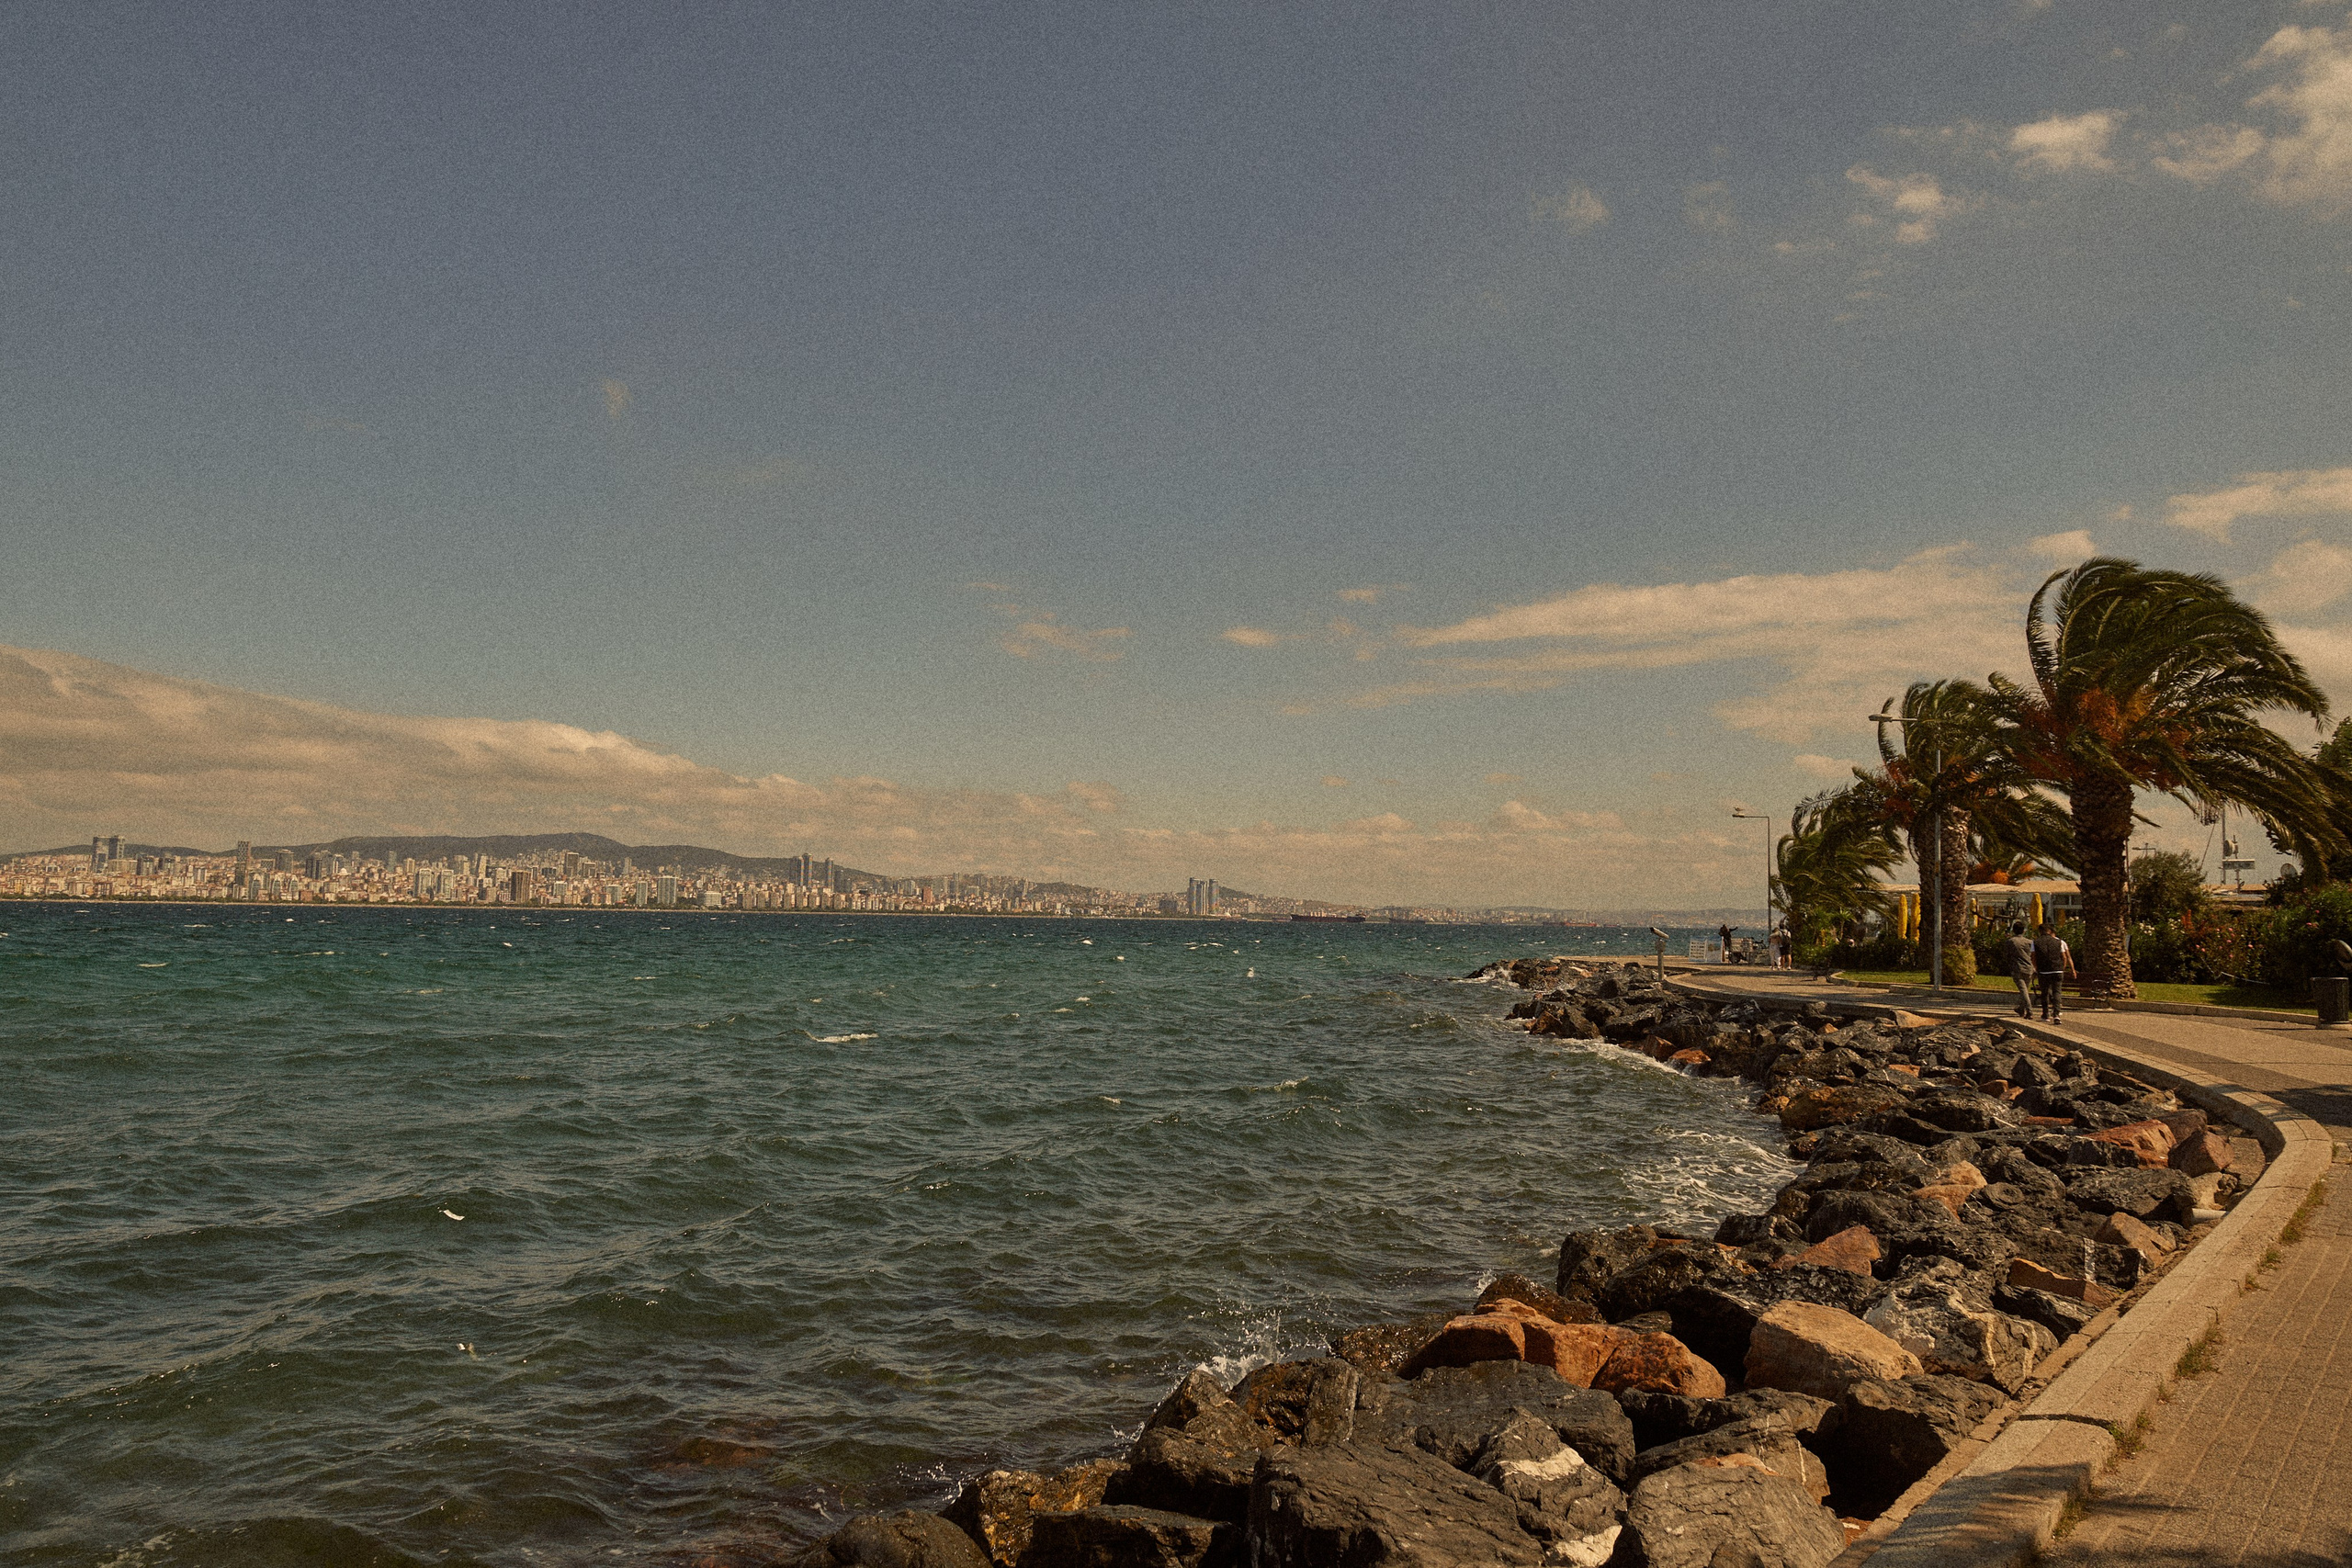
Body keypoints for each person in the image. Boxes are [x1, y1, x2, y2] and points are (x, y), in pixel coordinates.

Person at [2032, 921, 2075, 1022]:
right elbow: (2064, 957)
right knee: (2057, 992)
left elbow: (2033, 957)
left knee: (2045, 992)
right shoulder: (2059, 942)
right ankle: (2056, 1014)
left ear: (2040, 931)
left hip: (2044, 971)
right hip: (2057, 970)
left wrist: (2036, 968)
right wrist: (2062, 967)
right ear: (2050, 931)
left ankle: (2045, 1014)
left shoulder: (2035, 942)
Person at [2003, 921, 2037, 1019]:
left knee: (2023, 990)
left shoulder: (2011, 942)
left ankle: (2029, 1011)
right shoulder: (2030, 942)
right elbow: (2034, 955)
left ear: (2013, 930)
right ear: (2024, 931)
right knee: (2024, 989)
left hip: (2018, 968)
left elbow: (2006, 955)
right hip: (2029, 968)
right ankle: (2021, 1008)